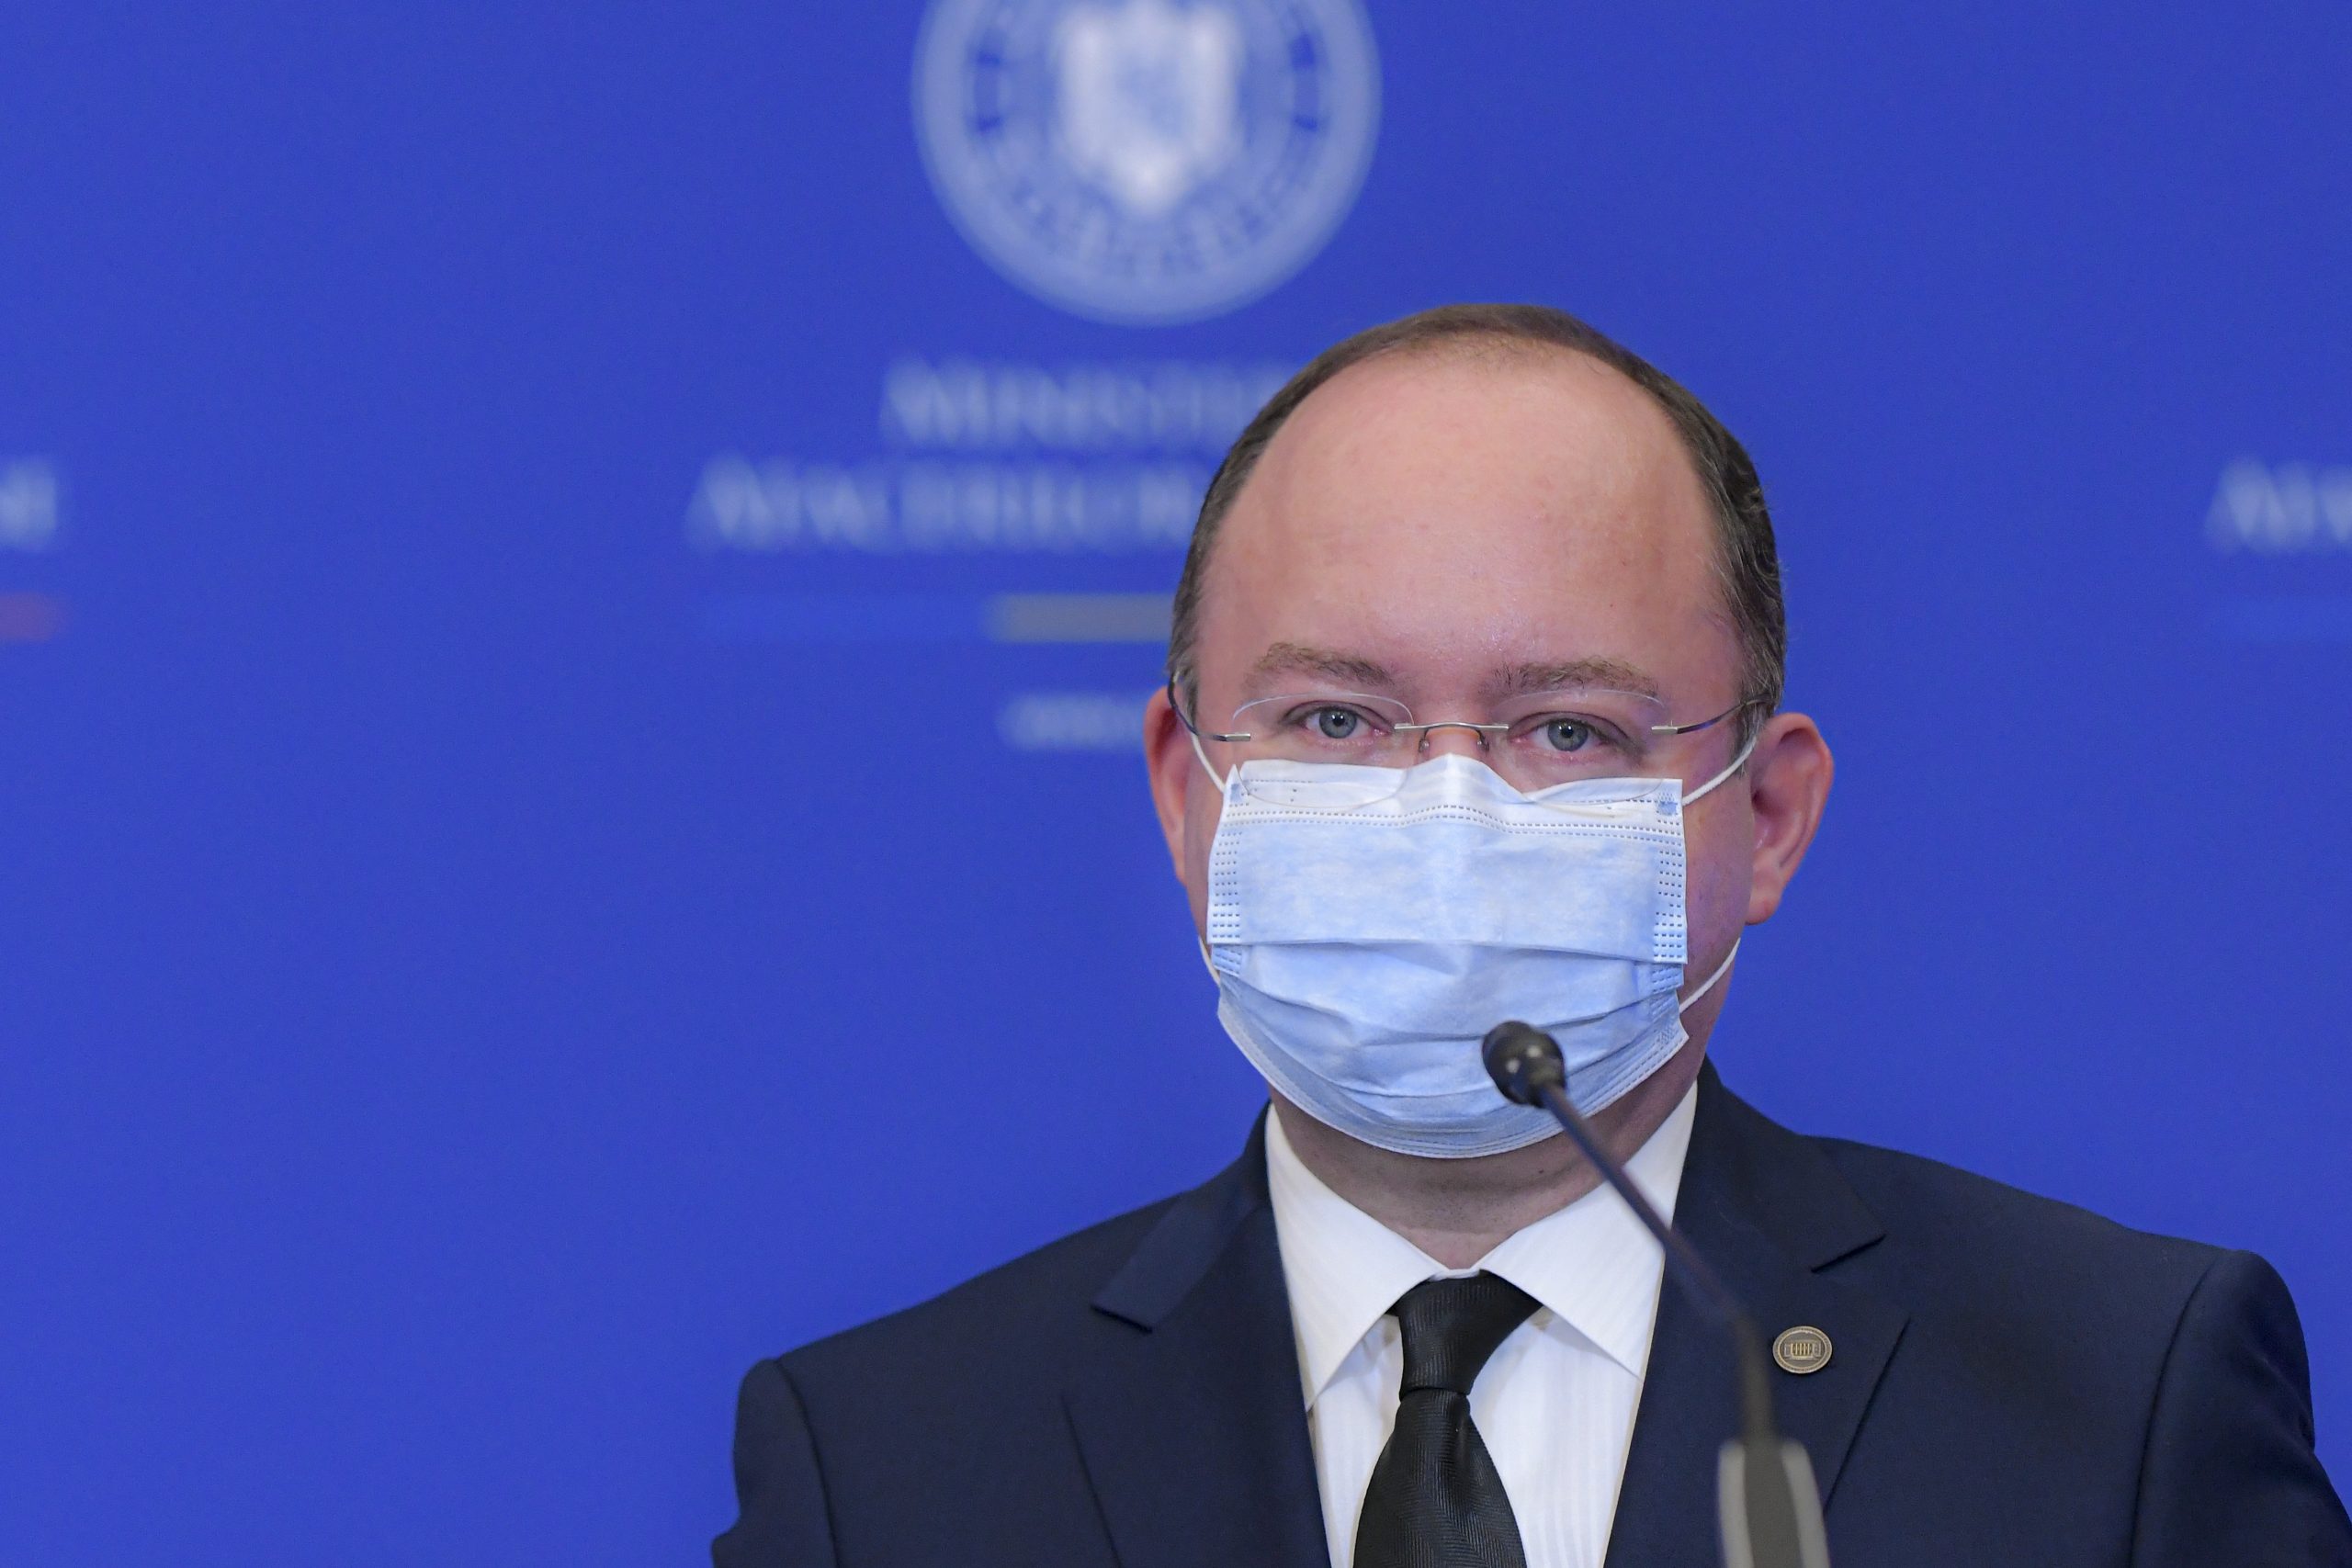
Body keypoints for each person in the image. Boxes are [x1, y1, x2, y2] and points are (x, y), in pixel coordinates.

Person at [713, 305, 2351, 1567]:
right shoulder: (886, 1467)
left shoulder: (2111, 1400)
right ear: (1183, 793)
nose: (1448, 814)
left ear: (1769, 816)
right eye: (1336, 720)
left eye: (1568, 729)